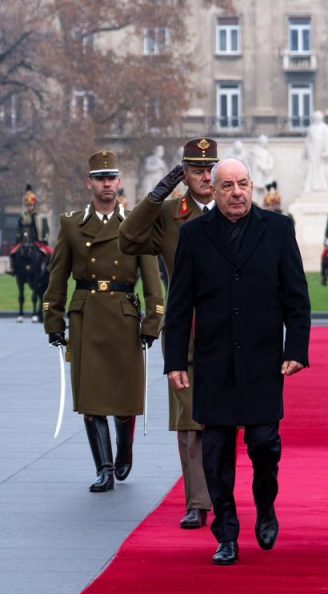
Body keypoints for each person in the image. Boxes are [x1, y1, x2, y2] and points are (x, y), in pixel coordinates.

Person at [163, 158, 311, 566]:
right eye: (227, 186)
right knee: (216, 452)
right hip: (213, 362)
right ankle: (226, 532)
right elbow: (178, 306)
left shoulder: (278, 230)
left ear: (252, 186)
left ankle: (265, 505)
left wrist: (296, 349)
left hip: (264, 361)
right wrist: (175, 359)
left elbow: (296, 298)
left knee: (265, 444)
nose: (237, 193)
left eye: (243, 184)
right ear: (213, 190)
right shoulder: (194, 235)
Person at [43, 150, 163, 492]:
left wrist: (152, 322)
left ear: (119, 182)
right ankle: (105, 468)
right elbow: (57, 277)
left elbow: (152, 282)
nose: (106, 184)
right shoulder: (71, 223)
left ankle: (125, 449)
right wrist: (53, 319)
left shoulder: (135, 225)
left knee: (125, 397)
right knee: (92, 398)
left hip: (124, 316)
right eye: (100, 178)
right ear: (89, 183)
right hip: (87, 315)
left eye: (111, 178)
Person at [119, 137, 219, 530]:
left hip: (229, 331)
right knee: (190, 421)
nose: (205, 177)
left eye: (210, 169)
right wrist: (156, 194)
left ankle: (220, 495)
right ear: (185, 174)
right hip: (188, 330)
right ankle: (198, 502)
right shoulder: (168, 214)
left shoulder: (233, 207)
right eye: (197, 170)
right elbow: (128, 238)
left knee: (225, 424)